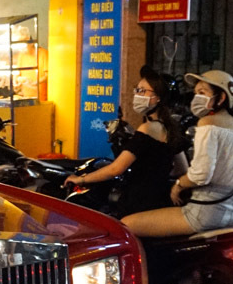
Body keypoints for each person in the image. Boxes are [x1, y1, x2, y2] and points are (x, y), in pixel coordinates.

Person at [120, 69, 233, 284]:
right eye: (195, 93)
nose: (196, 98)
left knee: (126, 226)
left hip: (206, 214)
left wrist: (179, 185)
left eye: (203, 92)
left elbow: (201, 173)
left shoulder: (208, 123)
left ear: (220, 98)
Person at [65, 70, 187, 217]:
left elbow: (115, 169)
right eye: (137, 90)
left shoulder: (147, 129)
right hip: (159, 198)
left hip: (138, 201)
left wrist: (81, 179)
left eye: (143, 91)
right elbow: (181, 169)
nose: (137, 95)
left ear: (158, 98)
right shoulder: (170, 129)